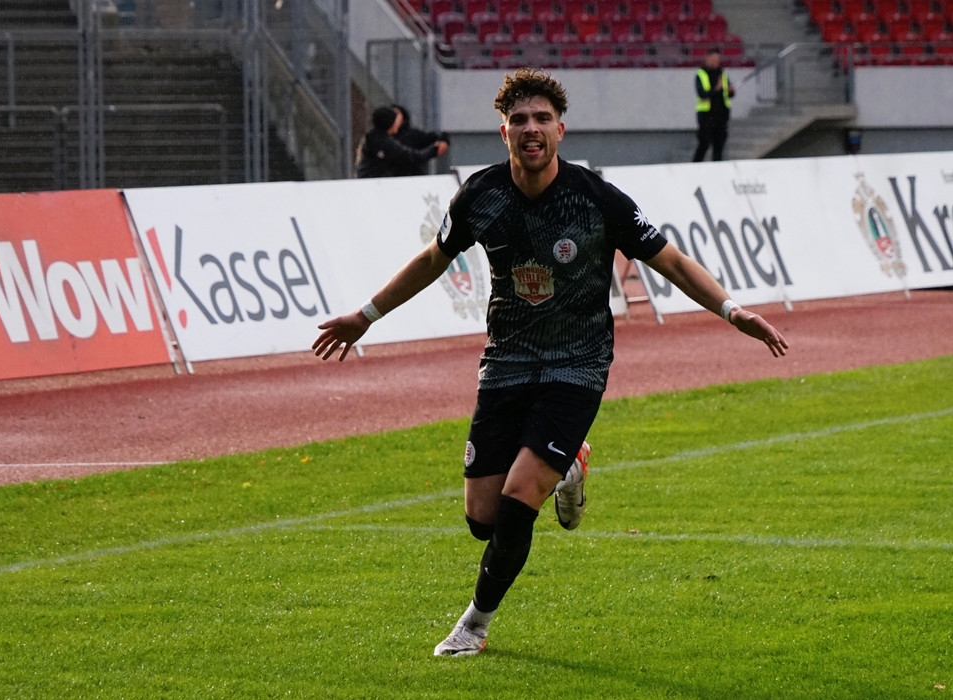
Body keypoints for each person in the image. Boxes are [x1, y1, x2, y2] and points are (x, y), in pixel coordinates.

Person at [313, 68, 788, 657]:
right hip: (506, 363)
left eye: (542, 118)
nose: (531, 128)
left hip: (577, 365)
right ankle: (570, 465)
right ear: (504, 132)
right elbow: (434, 258)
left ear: (561, 130)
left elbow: (670, 261)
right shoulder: (480, 195)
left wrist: (732, 310)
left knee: (517, 503)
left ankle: (474, 626)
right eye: (519, 120)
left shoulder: (597, 199)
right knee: (482, 518)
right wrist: (367, 314)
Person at [355, 106, 449, 178]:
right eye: (395, 119)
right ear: (389, 122)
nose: (397, 122)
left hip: (377, 182)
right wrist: (433, 150)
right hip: (375, 184)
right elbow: (413, 157)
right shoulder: (383, 141)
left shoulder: (374, 136)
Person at [692, 48, 735, 162]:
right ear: (707, 58)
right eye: (713, 59)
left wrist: (730, 91)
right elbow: (702, 94)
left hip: (721, 115)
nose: (716, 62)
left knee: (719, 145)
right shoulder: (701, 74)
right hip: (706, 115)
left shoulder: (722, 74)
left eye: (717, 59)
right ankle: (695, 167)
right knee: (704, 143)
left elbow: (729, 93)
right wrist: (716, 90)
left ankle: (717, 167)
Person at [391, 104, 451, 176]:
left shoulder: (413, 135)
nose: (393, 117)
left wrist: (443, 141)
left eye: (396, 114)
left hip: (414, 176)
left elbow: (436, 137)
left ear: (403, 118)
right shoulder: (383, 138)